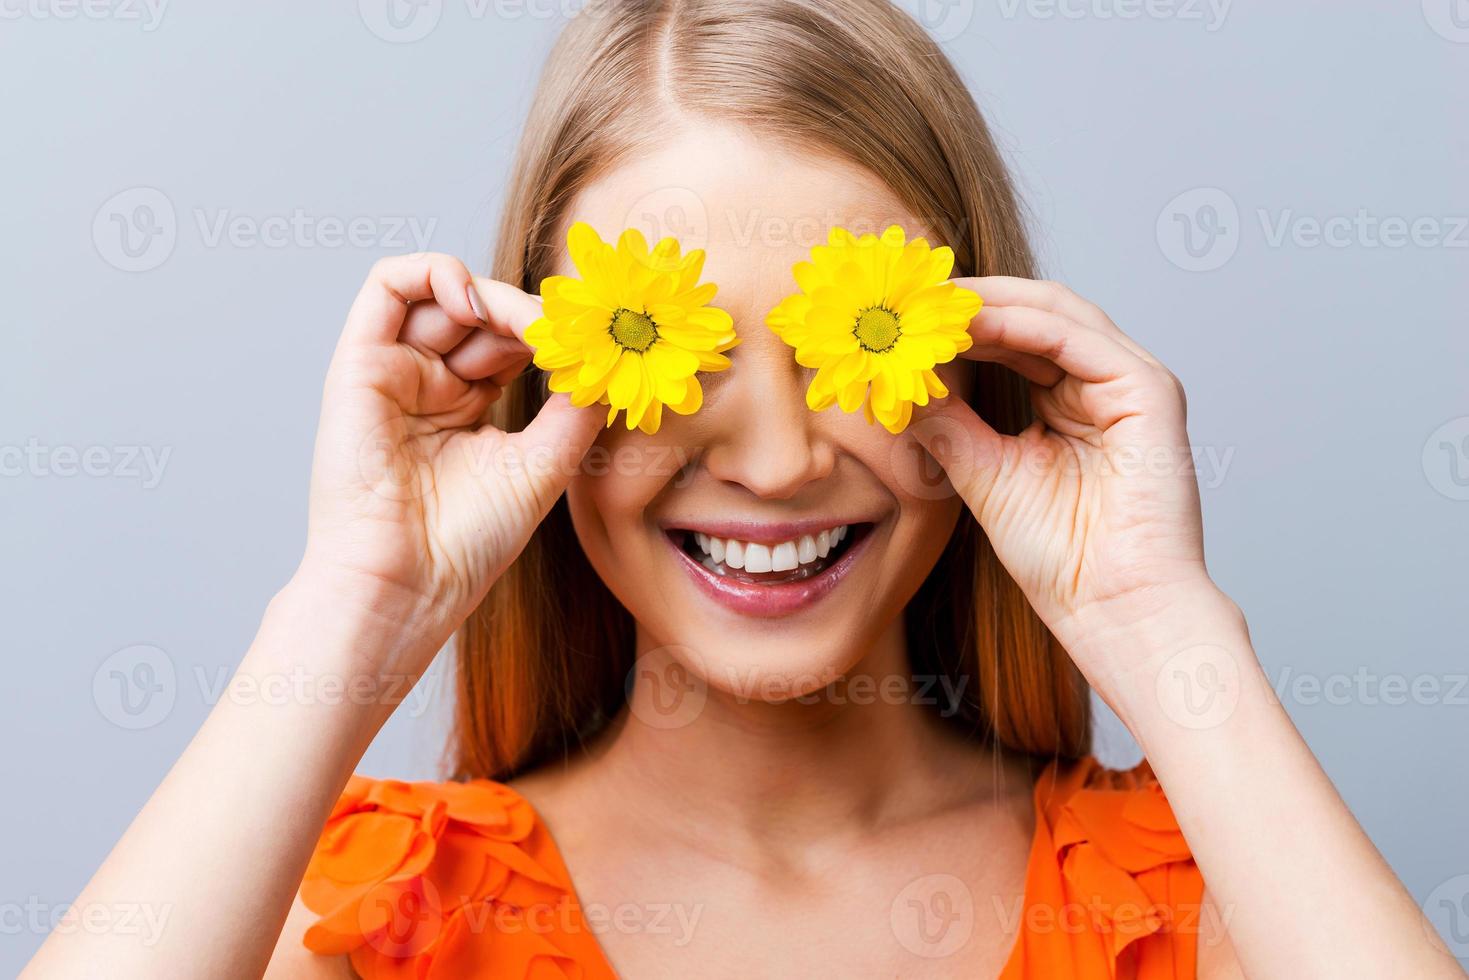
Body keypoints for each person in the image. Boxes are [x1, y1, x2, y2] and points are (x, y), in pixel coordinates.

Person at [24, 1, 1461, 977]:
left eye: (852, 350)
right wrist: (351, 607)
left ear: (980, 355)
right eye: (672, 357)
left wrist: (1160, 624)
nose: (775, 463)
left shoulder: (1187, 904)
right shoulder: (383, 915)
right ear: (545, 389)